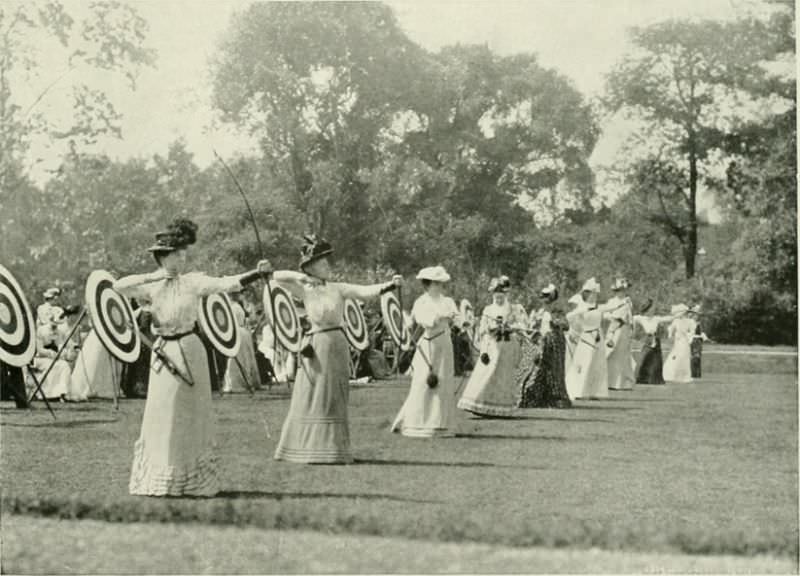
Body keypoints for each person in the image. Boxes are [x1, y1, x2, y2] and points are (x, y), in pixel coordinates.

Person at [113, 218, 270, 497]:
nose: (180, 258)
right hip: (164, 353)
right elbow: (118, 287)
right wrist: (155, 277)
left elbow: (227, 284)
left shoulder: (193, 281)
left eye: (181, 253)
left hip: (190, 348)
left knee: (190, 414)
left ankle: (193, 480)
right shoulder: (151, 286)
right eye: (174, 254)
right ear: (162, 257)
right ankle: (161, 478)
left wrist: (256, 274)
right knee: (163, 413)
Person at [272, 235, 401, 463]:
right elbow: (276, 277)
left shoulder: (338, 288)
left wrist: (389, 285)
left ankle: (333, 449)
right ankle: (305, 447)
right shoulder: (305, 290)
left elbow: (365, 291)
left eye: (327, 263)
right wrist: (301, 278)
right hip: (317, 344)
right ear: (311, 268)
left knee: (334, 396)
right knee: (314, 395)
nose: (328, 267)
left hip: (337, 344)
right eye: (322, 264)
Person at [392, 266, 459, 437]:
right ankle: (417, 423)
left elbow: (456, 317)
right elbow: (426, 321)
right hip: (429, 345)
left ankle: (440, 424)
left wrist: (459, 321)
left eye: (440, 283)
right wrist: (441, 316)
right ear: (427, 284)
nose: (438, 286)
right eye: (435, 283)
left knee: (443, 381)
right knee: (424, 382)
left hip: (444, 343)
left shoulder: (448, 301)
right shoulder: (421, 302)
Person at [458, 276, 527, 417]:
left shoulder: (513, 309)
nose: (499, 295)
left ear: (506, 294)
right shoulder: (488, 310)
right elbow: (482, 328)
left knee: (504, 376)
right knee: (487, 373)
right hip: (492, 347)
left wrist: (510, 327)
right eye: (496, 292)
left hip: (507, 346)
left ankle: (501, 408)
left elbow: (522, 325)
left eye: (502, 293)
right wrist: (490, 329)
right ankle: (480, 403)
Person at [517, 283, 571, 408]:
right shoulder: (540, 311)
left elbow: (566, 325)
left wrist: (557, 322)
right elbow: (535, 326)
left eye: (546, 298)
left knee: (554, 370)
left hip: (555, 343)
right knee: (538, 368)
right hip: (543, 342)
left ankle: (555, 397)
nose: (544, 301)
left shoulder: (557, 311)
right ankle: (535, 396)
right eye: (543, 298)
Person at [565, 278, 616, 400]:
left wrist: (624, 302)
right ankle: (579, 391)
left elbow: (611, 307)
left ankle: (594, 392)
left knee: (597, 364)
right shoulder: (582, 306)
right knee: (584, 364)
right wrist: (582, 311)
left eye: (595, 293)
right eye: (591, 293)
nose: (594, 295)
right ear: (587, 293)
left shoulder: (599, 307)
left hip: (598, 336)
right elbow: (569, 317)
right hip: (586, 336)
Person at [27, 310, 87, 402]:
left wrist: (75, 346)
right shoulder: (41, 331)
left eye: (57, 324)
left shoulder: (59, 332)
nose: (55, 326)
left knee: (64, 365)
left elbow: (67, 341)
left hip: (55, 359)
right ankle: (45, 393)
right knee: (57, 365)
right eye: (53, 324)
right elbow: (39, 349)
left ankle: (62, 392)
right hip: (41, 359)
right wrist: (50, 353)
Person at [71, 316, 124, 399]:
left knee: (106, 362)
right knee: (93, 360)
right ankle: (90, 387)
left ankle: (105, 388)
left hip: (110, 335)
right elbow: (92, 322)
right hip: (97, 336)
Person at [222, 293, 261, 393]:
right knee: (245, 357)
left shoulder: (232, 308)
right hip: (243, 332)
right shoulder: (238, 307)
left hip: (236, 332)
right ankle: (248, 380)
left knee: (237, 357)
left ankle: (237, 383)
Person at [605, 277, 635, 391]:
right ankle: (609, 381)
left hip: (624, 330)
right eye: (619, 290)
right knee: (611, 353)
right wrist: (613, 318)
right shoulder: (611, 302)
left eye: (623, 290)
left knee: (623, 355)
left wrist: (631, 328)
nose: (622, 292)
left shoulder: (628, 301)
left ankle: (623, 383)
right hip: (614, 328)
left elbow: (630, 317)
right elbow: (605, 314)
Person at [633, 306, 673, 385]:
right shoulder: (641, 318)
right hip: (648, 339)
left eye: (652, 311)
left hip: (656, 339)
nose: (651, 312)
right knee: (644, 358)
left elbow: (668, 319)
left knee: (657, 360)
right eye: (649, 310)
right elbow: (632, 318)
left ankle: (655, 379)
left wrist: (678, 314)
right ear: (646, 311)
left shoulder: (656, 318)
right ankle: (640, 378)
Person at [662, 304, 693, 383]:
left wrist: (689, 337)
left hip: (684, 341)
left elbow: (691, 331)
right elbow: (671, 329)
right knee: (676, 355)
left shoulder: (689, 321)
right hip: (678, 341)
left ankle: (683, 376)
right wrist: (670, 335)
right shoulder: (676, 321)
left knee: (684, 356)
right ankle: (672, 374)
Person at [689, 305, 709, 378]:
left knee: (698, 357)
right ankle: (693, 374)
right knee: (694, 357)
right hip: (692, 340)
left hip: (698, 341)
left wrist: (705, 338)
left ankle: (697, 374)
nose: (697, 316)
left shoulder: (699, 323)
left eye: (698, 315)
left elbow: (702, 332)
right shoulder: (690, 322)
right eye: (696, 314)